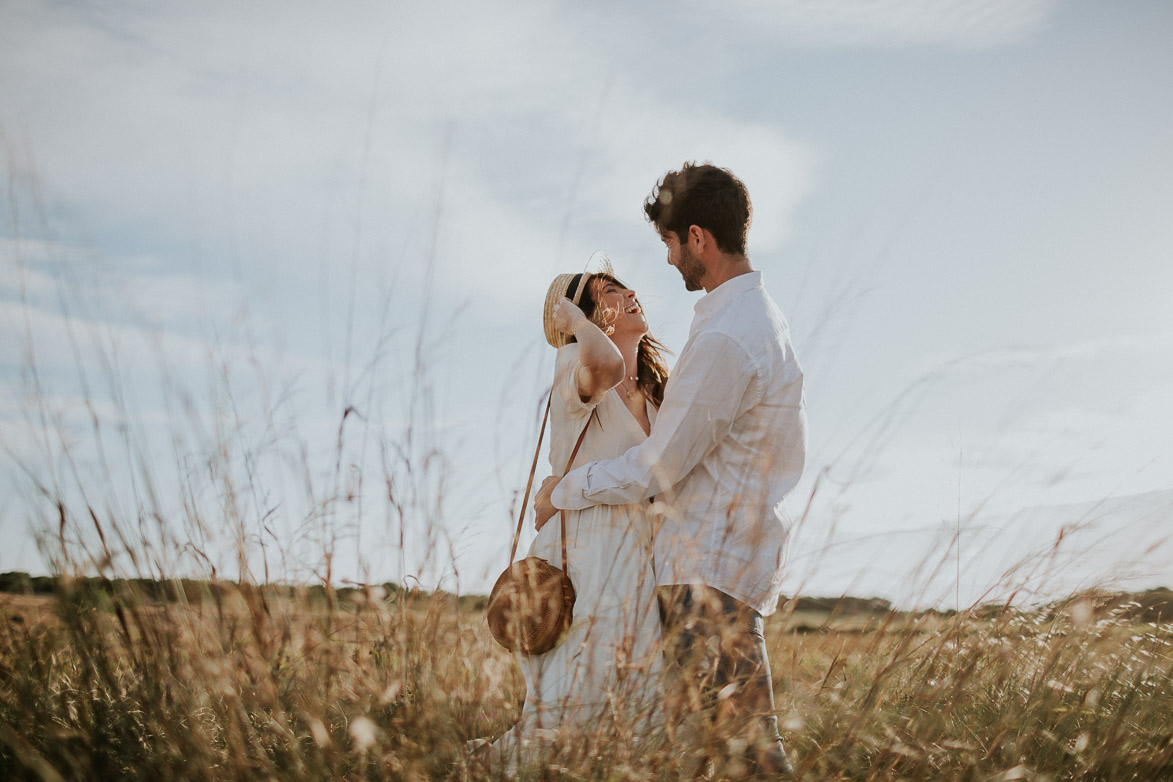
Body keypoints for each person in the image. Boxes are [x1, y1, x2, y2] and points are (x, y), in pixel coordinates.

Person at [535, 163, 807, 778]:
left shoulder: (727, 338)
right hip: (689, 568)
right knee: (711, 756)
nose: (664, 261)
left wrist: (564, 489)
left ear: (698, 239)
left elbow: (658, 468)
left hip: (706, 569)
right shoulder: (745, 323)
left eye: (669, 243)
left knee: (746, 758)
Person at [486, 259, 673, 773]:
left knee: (636, 704)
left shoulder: (659, 395)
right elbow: (608, 366)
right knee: (568, 709)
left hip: (638, 562)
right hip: (584, 556)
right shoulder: (575, 364)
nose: (632, 291)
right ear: (586, 313)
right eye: (611, 289)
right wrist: (574, 321)